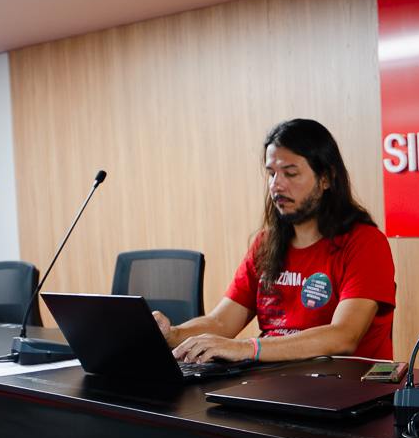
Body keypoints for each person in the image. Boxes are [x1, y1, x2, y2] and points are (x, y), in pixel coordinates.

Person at [155, 119, 396, 363]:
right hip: (273, 377)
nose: (276, 185)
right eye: (271, 174)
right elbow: (221, 322)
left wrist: (247, 348)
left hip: (342, 382)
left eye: (290, 173)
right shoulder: (266, 244)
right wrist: (171, 334)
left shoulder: (366, 243)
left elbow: (344, 336)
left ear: (326, 177)